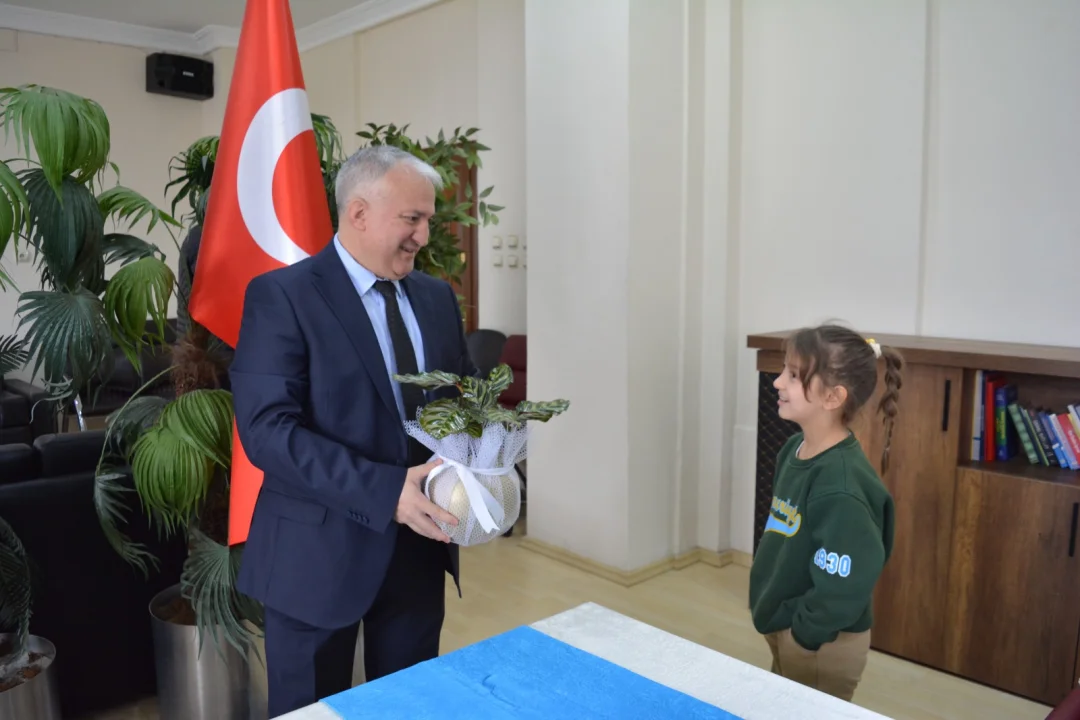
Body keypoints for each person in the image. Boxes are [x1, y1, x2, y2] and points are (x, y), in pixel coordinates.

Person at [230, 145, 476, 717]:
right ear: (359, 213)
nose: (423, 236)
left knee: (409, 708)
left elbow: (461, 401)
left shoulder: (436, 297)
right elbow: (268, 431)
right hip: (315, 557)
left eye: (428, 220)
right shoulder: (282, 296)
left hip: (418, 552)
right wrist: (387, 492)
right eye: (411, 219)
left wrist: (487, 469)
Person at [748, 324, 901, 701]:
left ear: (833, 397)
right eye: (784, 370)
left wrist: (803, 635)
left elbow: (844, 583)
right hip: (787, 624)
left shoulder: (842, 488)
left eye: (794, 376)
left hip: (821, 643)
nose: (777, 382)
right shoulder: (793, 450)